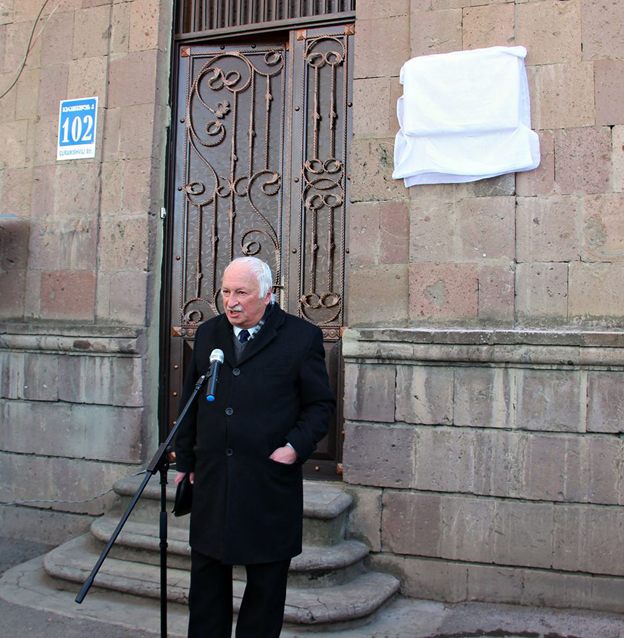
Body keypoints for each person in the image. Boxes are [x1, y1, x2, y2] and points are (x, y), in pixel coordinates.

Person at [174, 256, 335, 638]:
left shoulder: (300, 337)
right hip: (213, 479)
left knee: (264, 591)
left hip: (267, 481)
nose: (231, 302)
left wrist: (294, 447)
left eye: (241, 293)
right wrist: (186, 460)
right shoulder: (209, 334)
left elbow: (320, 405)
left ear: (266, 295)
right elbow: (192, 402)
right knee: (206, 588)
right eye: (226, 292)